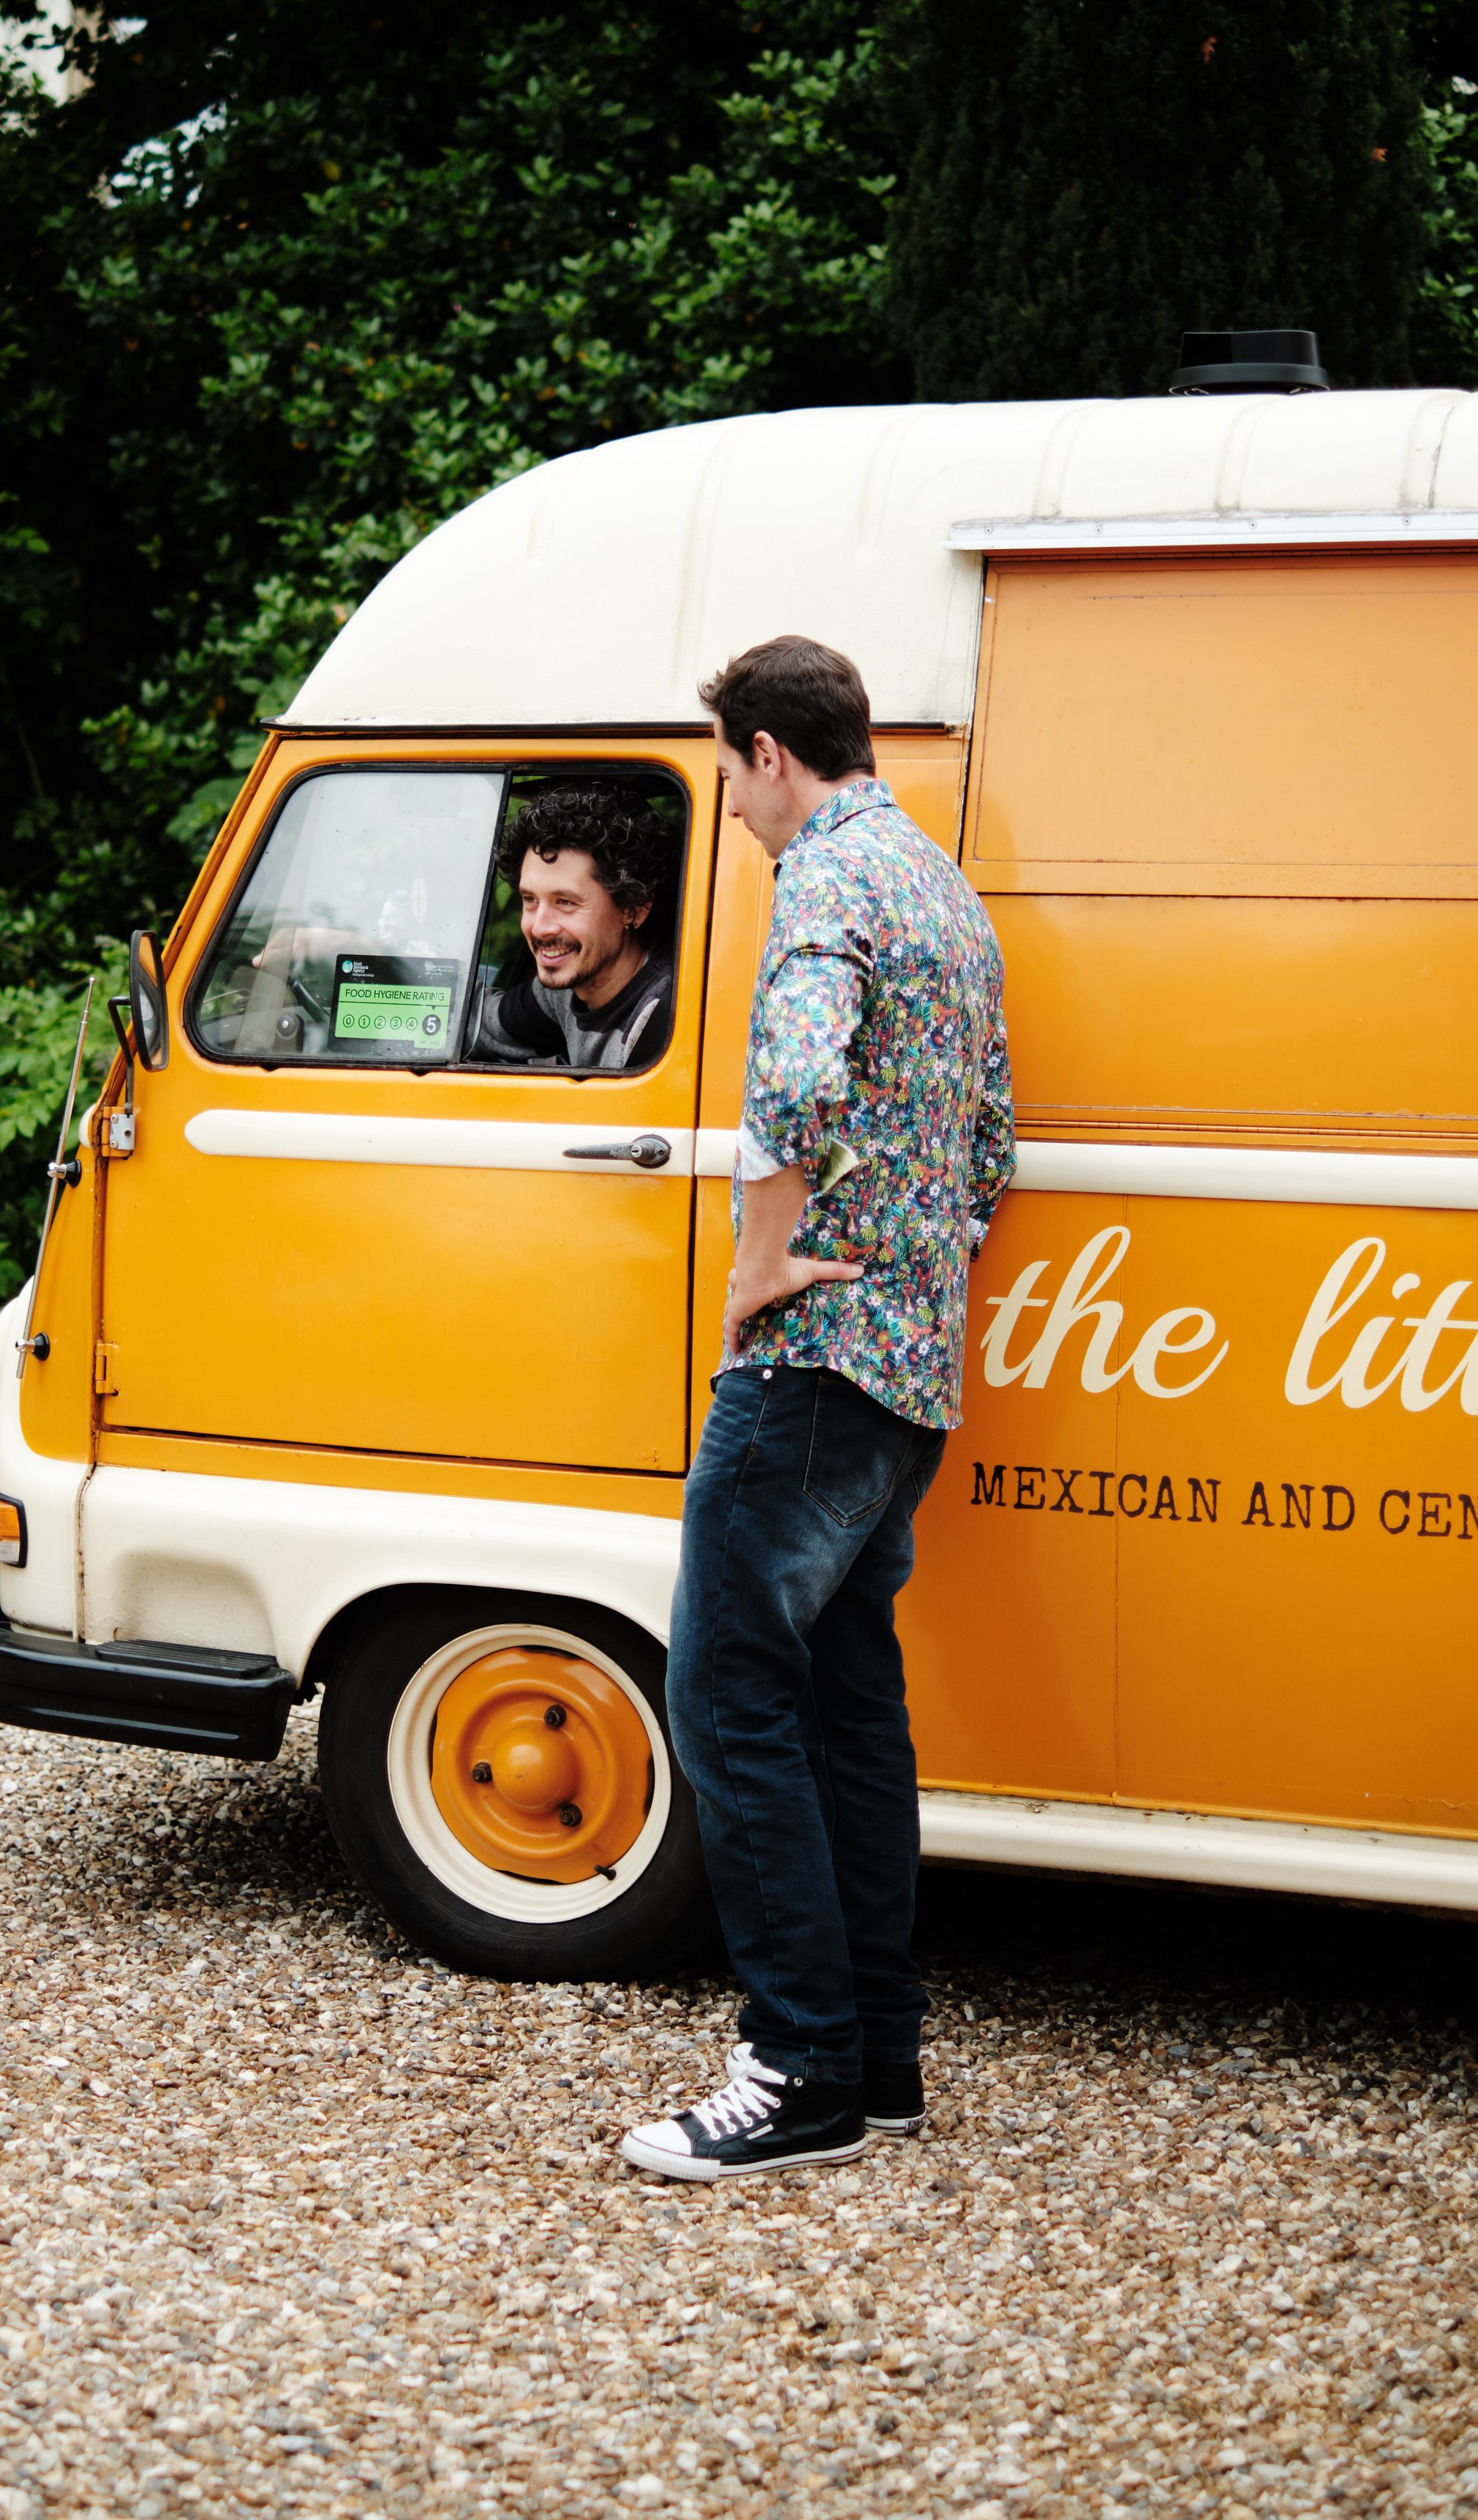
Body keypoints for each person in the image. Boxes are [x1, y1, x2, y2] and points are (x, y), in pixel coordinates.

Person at [621, 635, 1015, 2182]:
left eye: (725, 769)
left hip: (808, 1369)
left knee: (723, 1695)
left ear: (771, 754)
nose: (722, 805)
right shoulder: (941, 887)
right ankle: (876, 2058)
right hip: (911, 1369)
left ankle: (793, 2072)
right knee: (850, 1709)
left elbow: (788, 1086)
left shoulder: (825, 888)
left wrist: (762, 1270)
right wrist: (902, 1279)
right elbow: (986, 1148)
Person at [470, 784, 676, 1071]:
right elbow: (483, 1024)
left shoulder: (664, 1023)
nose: (539, 928)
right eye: (530, 900)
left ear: (632, 908)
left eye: (565, 902)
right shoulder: (565, 992)